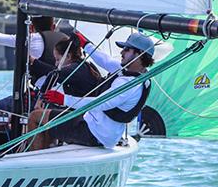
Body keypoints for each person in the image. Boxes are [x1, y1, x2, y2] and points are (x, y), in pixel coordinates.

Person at [26, 32, 155, 151]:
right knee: (51, 116)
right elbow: (106, 60)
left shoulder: (128, 85)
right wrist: (86, 45)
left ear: (139, 55)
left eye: (127, 49)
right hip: (103, 129)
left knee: (35, 117)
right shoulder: (138, 75)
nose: (121, 52)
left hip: (94, 133)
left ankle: (31, 164)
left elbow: (99, 103)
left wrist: (63, 99)